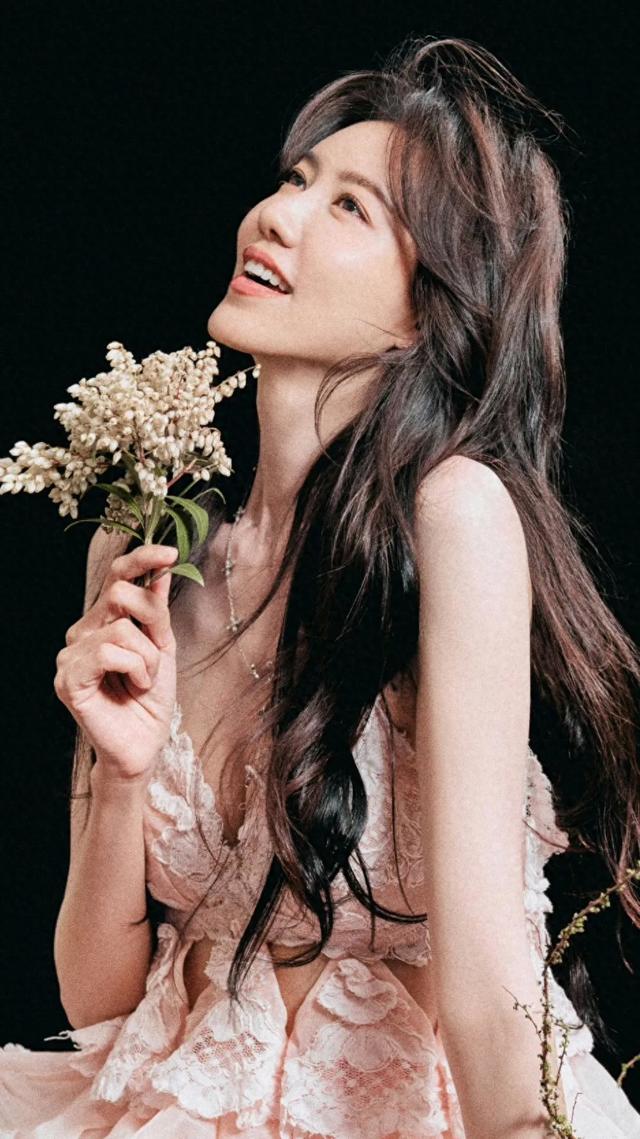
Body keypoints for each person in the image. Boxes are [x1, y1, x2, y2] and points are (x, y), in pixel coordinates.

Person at [1, 33, 640, 1139]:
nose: (276, 217)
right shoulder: (143, 545)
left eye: (349, 207)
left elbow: (490, 984)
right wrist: (123, 772)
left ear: (425, 308)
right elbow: (97, 1001)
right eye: (296, 180)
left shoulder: (454, 518)